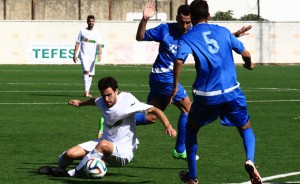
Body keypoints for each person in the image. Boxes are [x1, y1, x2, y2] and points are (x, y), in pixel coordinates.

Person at [136, 0, 252, 161]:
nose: (185, 26)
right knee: (188, 109)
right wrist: (145, 19)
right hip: (165, 77)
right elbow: (140, 36)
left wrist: (234, 35)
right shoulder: (165, 30)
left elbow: (209, 42)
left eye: (188, 23)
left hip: (157, 78)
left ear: (193, 20)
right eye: (182, 22)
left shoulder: (192, 33)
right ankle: (180, 149)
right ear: (176, 18)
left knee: (152, 116)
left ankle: (115, 120)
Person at [168, 0, 261, 184]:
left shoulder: (187, 37)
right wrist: (249, 65)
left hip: (206, 96)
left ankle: (192, 176)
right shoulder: (223, 31)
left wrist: (174, 87)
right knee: (245, 127)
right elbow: (246, 54)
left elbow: (179, 60)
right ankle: (250, 159)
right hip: (232, 92)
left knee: (192, 129)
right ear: (209, 16)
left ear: (192, 18)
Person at [38, 76, 176, 177]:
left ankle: (71, 173)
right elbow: (95, 101)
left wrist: (168, 125)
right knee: (69, 154)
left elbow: (155, 110)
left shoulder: (128, 100)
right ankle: (57, 169)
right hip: (104, 144)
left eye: (109, 95)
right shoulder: (102, 101)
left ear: (116, 91)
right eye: (104, 96)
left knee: (103, 144)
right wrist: (81, 103)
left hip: (123, 152)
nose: (107, 99)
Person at [73, 15, 103, 97]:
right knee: (86, 70)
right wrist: (74, 54)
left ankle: (87, 91)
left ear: (94, 22)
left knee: (90, 74)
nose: (91, 23)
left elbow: (99, 44)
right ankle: (86, 91)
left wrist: (99, 54)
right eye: (89, 21)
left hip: (92, 56)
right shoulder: (82, 31)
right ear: (87, 22)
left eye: (92, 21)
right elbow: (77, 43)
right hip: (83, 55)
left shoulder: (97, 32)